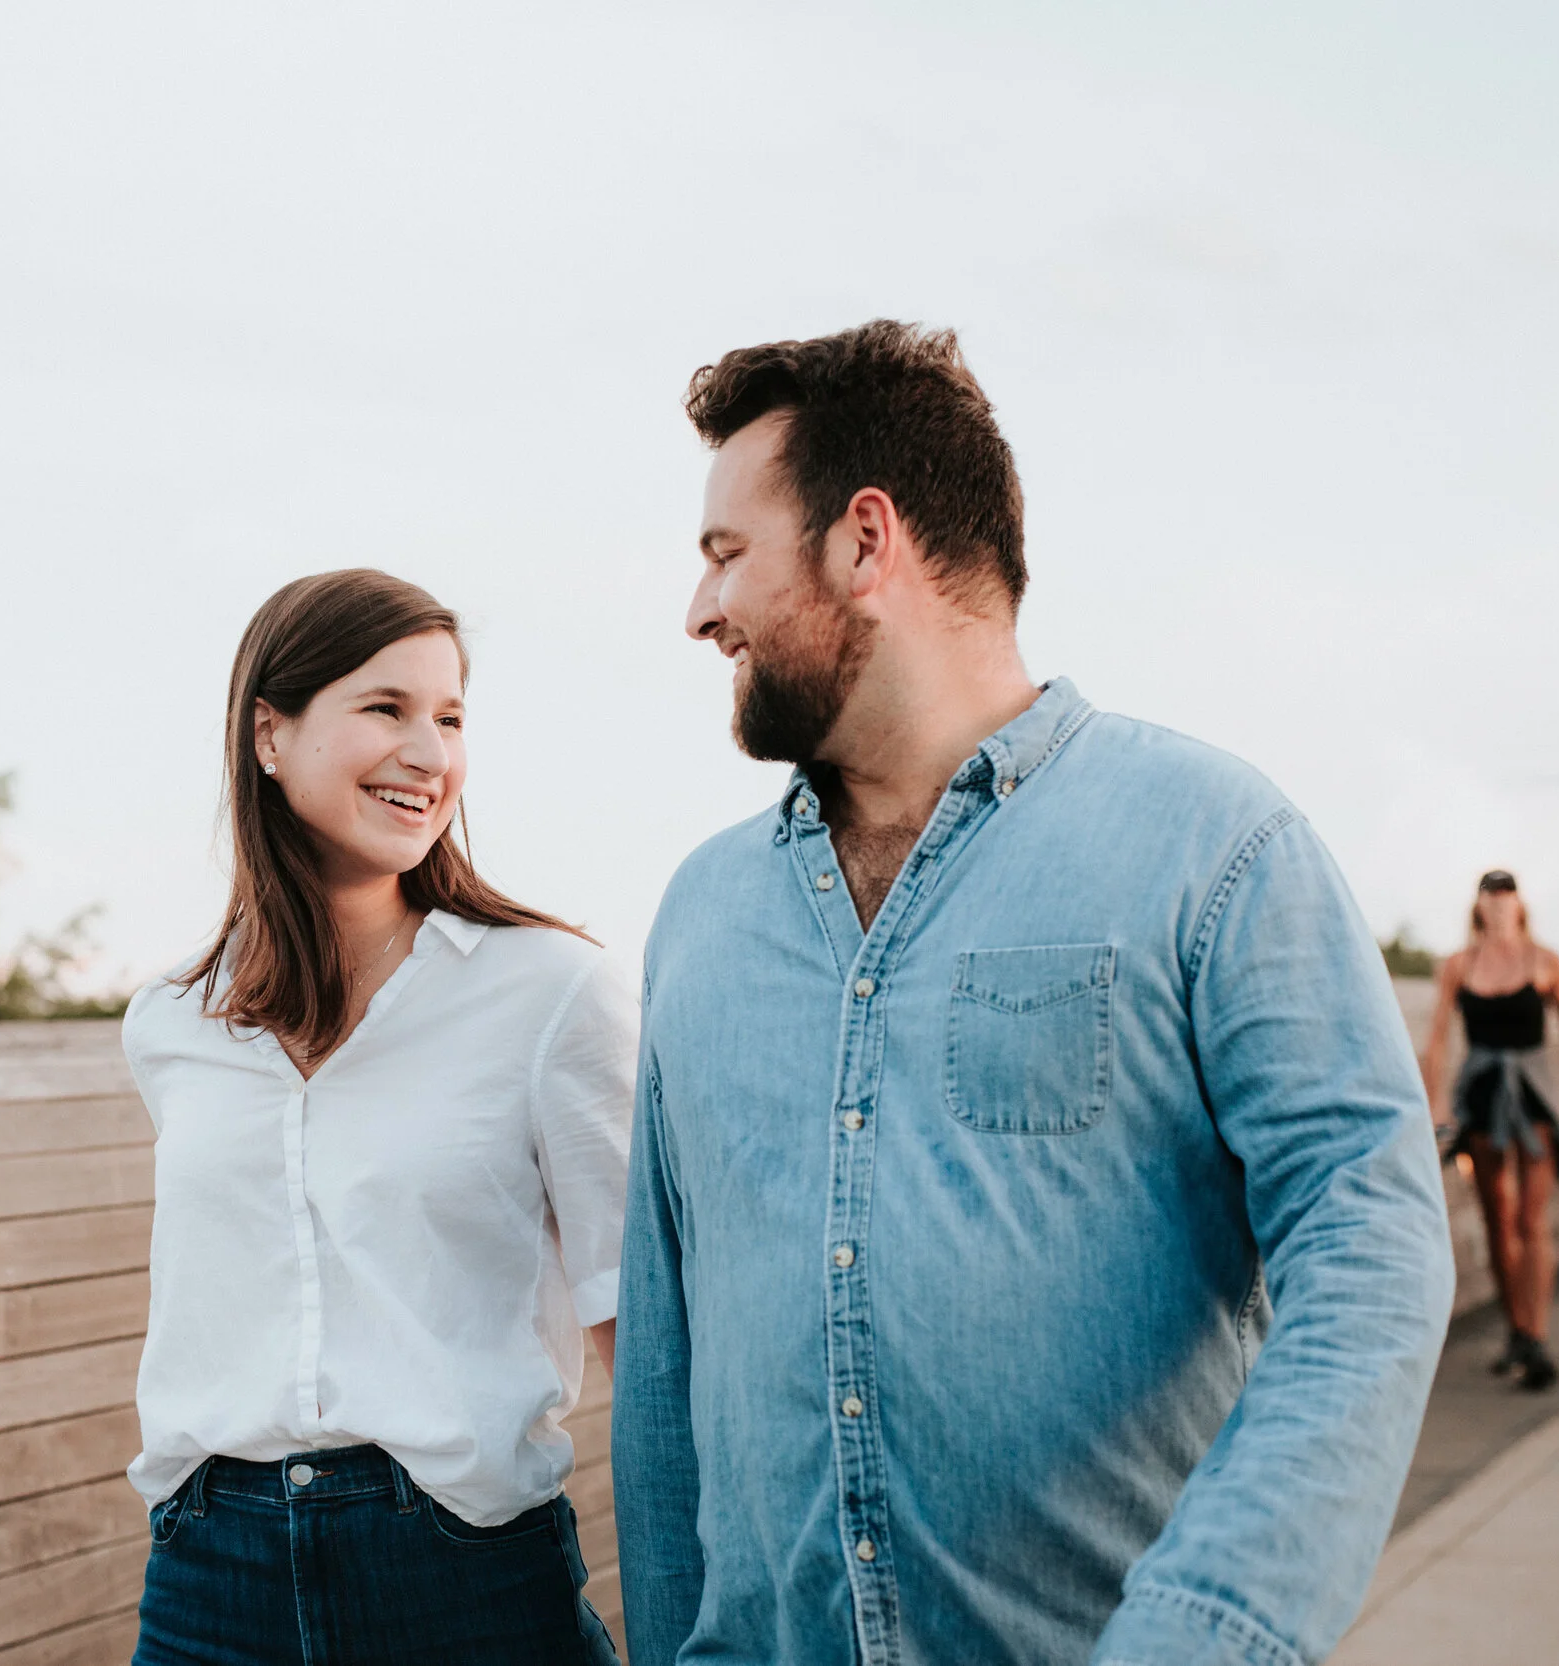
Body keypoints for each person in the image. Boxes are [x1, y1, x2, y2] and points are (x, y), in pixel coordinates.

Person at [613, 321, 1455, 1666]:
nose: (700, 611)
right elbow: (665, 1372)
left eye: (725, 554)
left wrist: (1207, 1633)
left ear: (864, 541)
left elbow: (1371, 1254)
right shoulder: (699, 917)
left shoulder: (1216, 846)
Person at [123, 569, 632, 1665]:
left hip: (464, 1577)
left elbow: (634, 1330)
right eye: (386, 708)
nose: (432, 754)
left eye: (449, 718)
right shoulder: (169, 1021)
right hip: (208, 1577)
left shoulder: (553, 993)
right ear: (270, 733)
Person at [1419, 870, 1559, 1392]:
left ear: (1520, 904)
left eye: (1507, 895)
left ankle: (1536, 1335)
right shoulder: (1458, 966)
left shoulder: (1545, 961)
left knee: (1532, 1220)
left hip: (1534, 1096)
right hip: (1483, 1096)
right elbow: (1437, 1039)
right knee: (1497, 1220)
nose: (1500, 904)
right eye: (1491, 895)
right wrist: (1435, 1104)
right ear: (1479, 905)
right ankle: (1516, 1329)